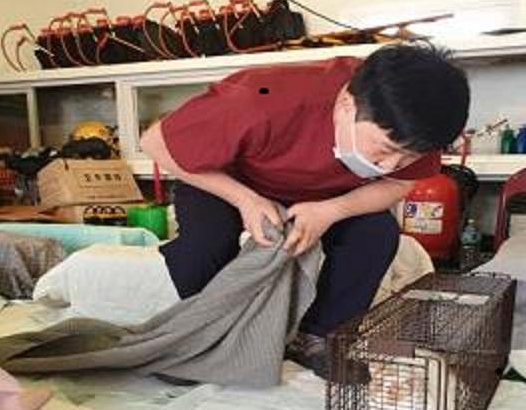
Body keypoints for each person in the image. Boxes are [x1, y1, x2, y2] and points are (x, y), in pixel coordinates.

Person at [140, 42, 470, 377]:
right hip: (228, 180)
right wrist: (245, 200)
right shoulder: (260, 99)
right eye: (385, 150)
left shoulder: (418, 127)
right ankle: (201, 336)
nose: (391, 164)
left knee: (377, 234)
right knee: (207, 242)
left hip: (324, 195)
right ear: (346, 106)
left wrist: (330, 211)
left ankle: (317, 337)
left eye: (408, 156)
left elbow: (399, 185)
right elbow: (154, 142)